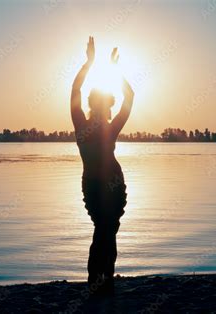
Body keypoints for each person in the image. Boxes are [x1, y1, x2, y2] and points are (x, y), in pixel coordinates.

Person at [70, 36, 134, 295]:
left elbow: (129, 97)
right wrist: (91, 64)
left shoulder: (105, 128)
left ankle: (105, 280)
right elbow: (75, 92)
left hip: (113, 186)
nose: (101, 111)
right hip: (97, 187)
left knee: (109, 230)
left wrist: (106, 67)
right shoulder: (83, 127)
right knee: (104, 230)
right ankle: (98, 281)